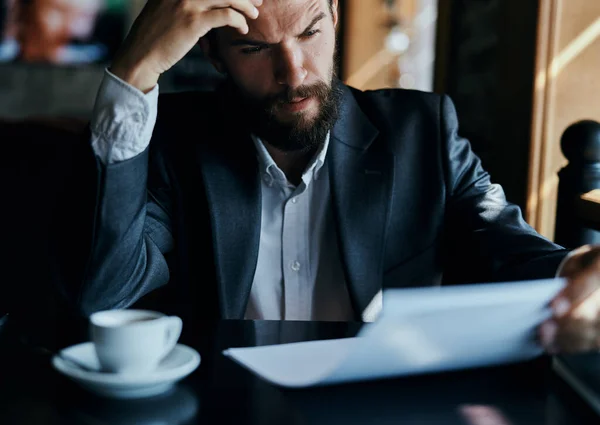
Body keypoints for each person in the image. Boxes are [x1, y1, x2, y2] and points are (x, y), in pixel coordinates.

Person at [80, 0, 600, 353]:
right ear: (213, 54)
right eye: (254, 49)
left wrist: (574, 270)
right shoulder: (173, 142)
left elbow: (504, 241)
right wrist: (132, 73)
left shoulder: (423, 131)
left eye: (310, 32)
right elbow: (107, 292)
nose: (295, 71)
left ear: (334, 14)